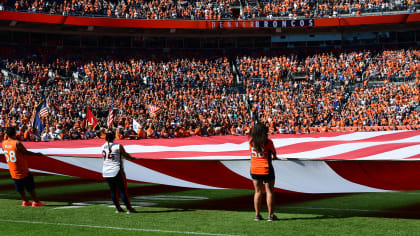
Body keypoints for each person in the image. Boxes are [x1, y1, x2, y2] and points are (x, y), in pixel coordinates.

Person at [1, 127, 45, 207]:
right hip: (22, 169)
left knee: (20, 188)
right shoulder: (16, 143)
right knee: (30, 187)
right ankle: (36, 202)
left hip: (12, 170)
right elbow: (25, 152)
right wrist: (37, 154)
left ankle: (25, 201)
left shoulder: (3, 143)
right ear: (14, 134)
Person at [102, 130, 138, 214]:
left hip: (106, 171)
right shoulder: (118, 146)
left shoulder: (103, 146)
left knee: (113, 191)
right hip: (117, 170)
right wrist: (133, 158)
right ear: (114, 137)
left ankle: (118, 208)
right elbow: (126, 156)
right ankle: (129, 209)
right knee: (122, 191)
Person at [249, 123, 278, 221]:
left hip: (254, 169)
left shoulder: (251, 142)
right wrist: (274, 156)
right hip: (266, 169)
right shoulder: (268, 142)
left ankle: (257, 215)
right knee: (269, 191)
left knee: (257, 192)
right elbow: (274, 154)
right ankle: (271, 215)